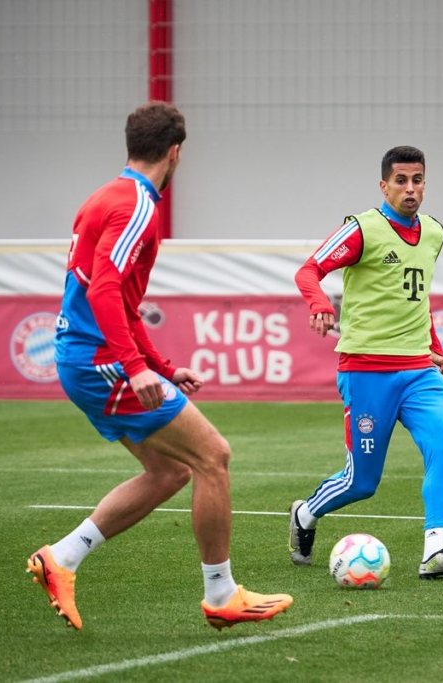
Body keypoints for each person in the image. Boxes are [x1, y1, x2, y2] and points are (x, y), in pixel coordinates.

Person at [27, 102, 292, 631]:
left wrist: (161, 367)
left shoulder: (102, 197)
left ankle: (62, 558)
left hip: (85, 358)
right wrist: (135, 367)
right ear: (175, 153)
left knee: (171, 471)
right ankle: (221, 594)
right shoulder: (137, 206)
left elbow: (118, 300)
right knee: (213, 456)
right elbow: (104, 290)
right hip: (101, 360)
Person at [289, 145, 443, 580]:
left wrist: (433, 345)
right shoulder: (361, 229)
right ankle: (305, 512)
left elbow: (418, 296)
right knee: (362, 483)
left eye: (417, 180)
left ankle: (435, 550)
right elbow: (309, 270)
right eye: (401, 181)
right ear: (384, 186)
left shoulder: (433, 232)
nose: (410, 189)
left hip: (419, 370)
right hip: (366, 373)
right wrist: (319, 303)